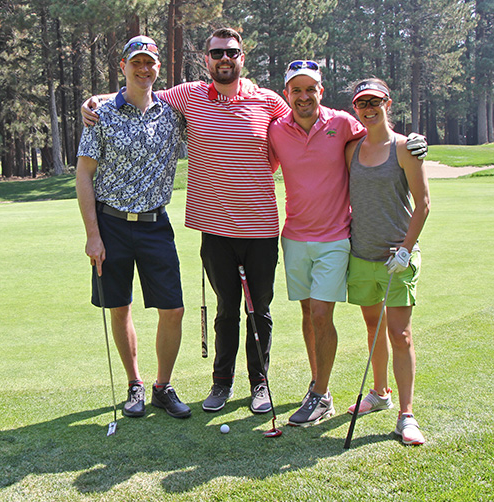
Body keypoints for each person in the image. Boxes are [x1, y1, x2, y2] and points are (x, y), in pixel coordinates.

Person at [82, 28, 290, 416]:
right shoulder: (187, 96)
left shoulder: (269, 101)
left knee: (254, 309)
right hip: (207, 227)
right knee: (225, 308)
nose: (224, 58)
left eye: (231, 52)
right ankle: (207, 384)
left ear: (242, 57)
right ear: (206, 59)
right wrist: (95, 101)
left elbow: (305, 127)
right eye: (216, 53)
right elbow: (138, 94)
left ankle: (253, 384)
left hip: (256, 227)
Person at [267, 62, 427, 427]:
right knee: (310, 316)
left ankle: (327, 395)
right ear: (287, 93)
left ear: (321, 92)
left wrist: (414, 140)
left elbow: (381, 134)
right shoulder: (277, 130)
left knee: (324, 315)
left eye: (311, 89)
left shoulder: (341, 124)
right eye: (296, 90)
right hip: (294, 236)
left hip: (337, 238)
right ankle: (319, 387)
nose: (304, 96)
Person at [75, 35, 191, 419]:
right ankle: (134, 385)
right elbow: (84, 175)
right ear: (122, 66)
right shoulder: (101, 113)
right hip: (110, 224)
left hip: (156, 224)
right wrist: (93, 235)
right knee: (119, 307)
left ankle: (163, 386)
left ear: (159, 67)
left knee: (173, 308)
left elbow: (215, 104)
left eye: (150, 63)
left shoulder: (173, 112)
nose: (144, 69)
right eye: (135, 62)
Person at [345, 78, 430, 445]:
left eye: (375, 101)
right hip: (361, 255)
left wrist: (407, 249)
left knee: (400, 334)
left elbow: (423, 203)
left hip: (397, 256)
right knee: (373, 328)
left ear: (388, 103)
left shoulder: (406, 148)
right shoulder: (351, 149)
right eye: (362, 102)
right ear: (355, 108)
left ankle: (406, 415)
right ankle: (379, 393)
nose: (368, 108)